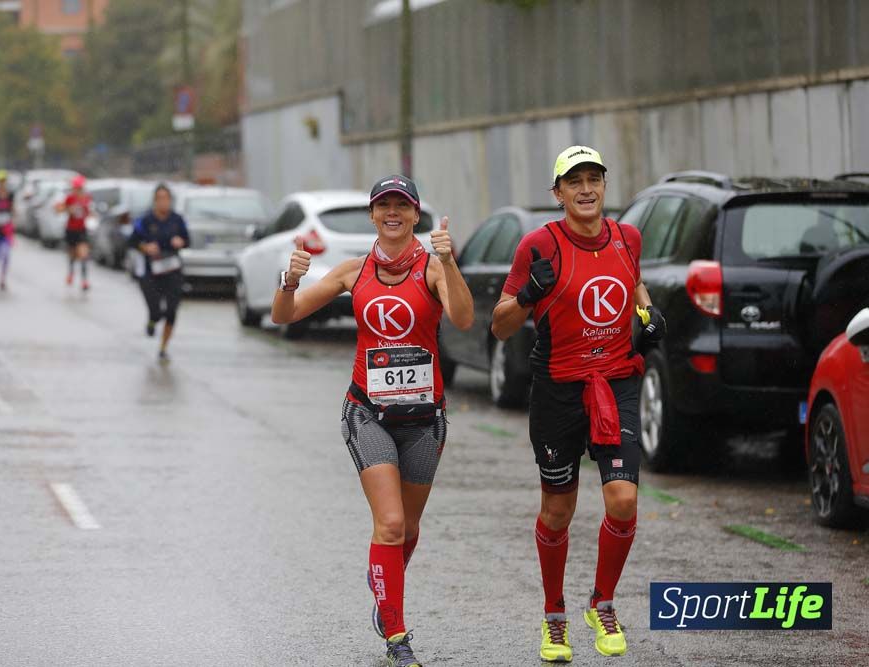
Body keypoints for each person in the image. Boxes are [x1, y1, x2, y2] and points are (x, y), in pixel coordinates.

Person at [271, 175, 474, 667]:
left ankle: (384, 582)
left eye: (402, 206)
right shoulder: (352, 271)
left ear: (416, 215)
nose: (392, 213)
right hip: (368, 412)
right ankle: (397, 638)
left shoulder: (432, 269)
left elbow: (464, 319)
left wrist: (449, 262)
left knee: (409, 528)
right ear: (372, 215)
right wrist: (289, 281)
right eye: (384, 206)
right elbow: (285, 314)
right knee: (390, 523)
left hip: (424, 417)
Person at [491, 146, 666, 662]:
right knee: (558, 510)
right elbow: (499, 326)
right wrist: (528, 295)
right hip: (557, 390)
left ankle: (602, 602)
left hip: (616, 384)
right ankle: (554, 615)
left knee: (624, 501)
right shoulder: (538, 245)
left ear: (604, 185)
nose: (586, 189)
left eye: (594, 179)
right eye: (574, 181)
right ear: (558, 193)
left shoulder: (628, 237)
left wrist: (649, 313)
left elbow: (635, 282)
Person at [128, 184, 190, 363]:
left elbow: (188, 240)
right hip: (150, 272)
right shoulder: (145, 220)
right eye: (160, 199)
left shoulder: (177, 220)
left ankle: (163, 347)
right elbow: (132, 242)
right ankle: (152, 320)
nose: (164, 202)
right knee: (156, 311)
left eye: (166, 198)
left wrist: (181, 241)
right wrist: (145, 247)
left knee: (171, 311)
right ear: (155, 201)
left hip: (172, 270)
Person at [56, 174, 93, 290]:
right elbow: (58, 209)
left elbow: (91, 212)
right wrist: (69, 209)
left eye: (80, 188)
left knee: (84, 255)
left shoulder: (87, 198)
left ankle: (84, 281)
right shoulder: (70, 198)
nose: (78, 190)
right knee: (72, 255)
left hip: (82, 230)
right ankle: (71, 273)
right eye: (76, 188)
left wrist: (91, 216)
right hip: (71, 230)